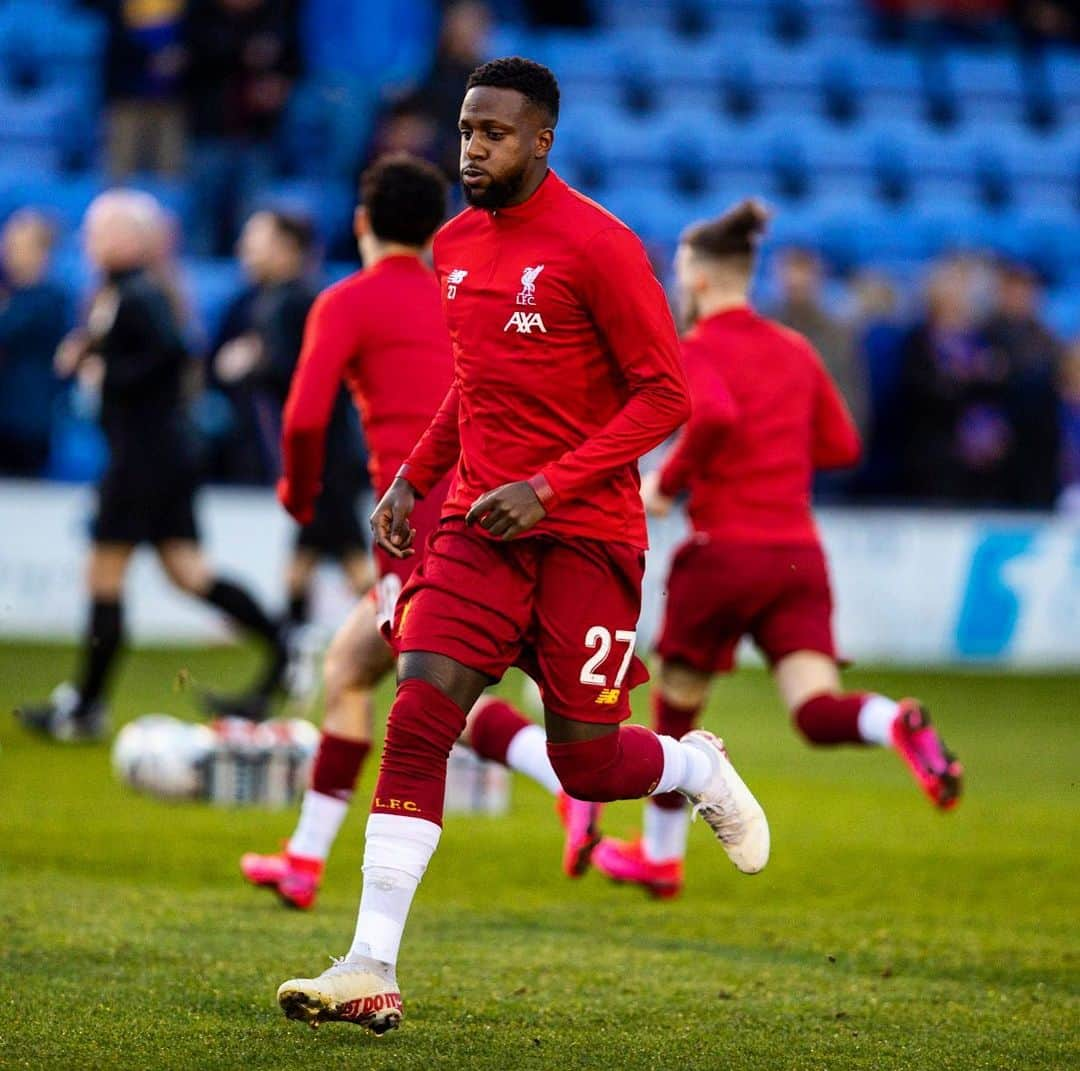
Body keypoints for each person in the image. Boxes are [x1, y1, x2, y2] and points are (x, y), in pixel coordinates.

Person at [275, 57, 770, 1036]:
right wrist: (416, 478)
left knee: (586, 765)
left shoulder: (600, 246)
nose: (472, 149)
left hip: (585, 534)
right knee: (419, 715)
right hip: (474, 526)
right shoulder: (453, 247)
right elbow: (474, 387)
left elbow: (662, 396)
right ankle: (370, 963)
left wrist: (548, 486)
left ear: (542, 140)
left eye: (493, 134)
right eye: (465, 131)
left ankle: (695, 770)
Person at [589, 201, 964, 901]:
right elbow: (843, 445)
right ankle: (895, 721)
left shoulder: (694, 348)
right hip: (798, 554)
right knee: (817, 708)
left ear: (698, 279)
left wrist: (667, 483)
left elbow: (719, 415)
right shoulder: (795, 348)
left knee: (675, 704)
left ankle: (660, 856)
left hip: (724, 549)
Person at [238, 154, 547, 909]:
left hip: (411, 522)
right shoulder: (464, 294)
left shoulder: (346, 300)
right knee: (348, 669)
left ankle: (566, 777)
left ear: (361, 222)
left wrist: (298, 490)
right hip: (490, 506)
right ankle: (304, 858)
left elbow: (306, 416)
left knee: (439, 695)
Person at [14, 190, 286, 742]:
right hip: (161, 459)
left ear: (130, 239)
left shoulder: (137, 293)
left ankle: (85, 708)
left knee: (104, 575)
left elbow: (168, 355)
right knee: (188, 574)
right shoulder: (134, 291)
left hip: (142, 460)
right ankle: (281, 645)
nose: (89, 241)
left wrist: (100, 370)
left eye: (99, 230)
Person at [210, 209, 373, 715]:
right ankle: (275, 685)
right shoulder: (289, 300)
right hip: (325, 455)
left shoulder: (292, 302)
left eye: (256, 240)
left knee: (363, 576)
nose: (245, 251)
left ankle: (445, 651)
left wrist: (248, 365)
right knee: (304, 573)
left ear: (287, 247)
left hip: (323, 457)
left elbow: (297, 374)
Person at [981, 259, 1061, 509]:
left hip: (1037, 444)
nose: (1020, 296)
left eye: (1026, 290)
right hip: (993, 442)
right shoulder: (985, 332)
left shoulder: (1045, 338)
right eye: (1013, 289)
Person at [0, 210, 70, 477]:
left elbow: (7, 330)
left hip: (26, 421)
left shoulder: (50, 299)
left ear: (43, 252)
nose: (8, 252)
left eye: (18, 246)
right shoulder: (12, 294)